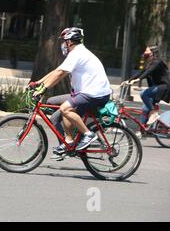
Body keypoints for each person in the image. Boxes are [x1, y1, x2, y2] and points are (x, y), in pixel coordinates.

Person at [30, 27, 112, 156]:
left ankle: (88, 134)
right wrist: (39, 82)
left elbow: (60, 73)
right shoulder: (76, 53)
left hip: (95, 93)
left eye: (64, 41)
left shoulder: (77, 53)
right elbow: (58, 70)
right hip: (85, 92)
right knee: (54, 113)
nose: (63, 44)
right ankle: (68, 143)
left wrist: (43, 89)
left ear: (69, 42)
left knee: (65, 109)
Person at [122, 46, 170, 127]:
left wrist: (138, 80)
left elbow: (149, 71)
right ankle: (143, 130)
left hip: (163, 86)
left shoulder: (157, 62)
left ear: (152, 54)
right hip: (156, 87)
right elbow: (140, 72)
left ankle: (154, 112)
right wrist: (128, 80)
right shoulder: (149, 63)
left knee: (144, 94)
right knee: (145, 109)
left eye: (147, 53)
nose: (145, 55)